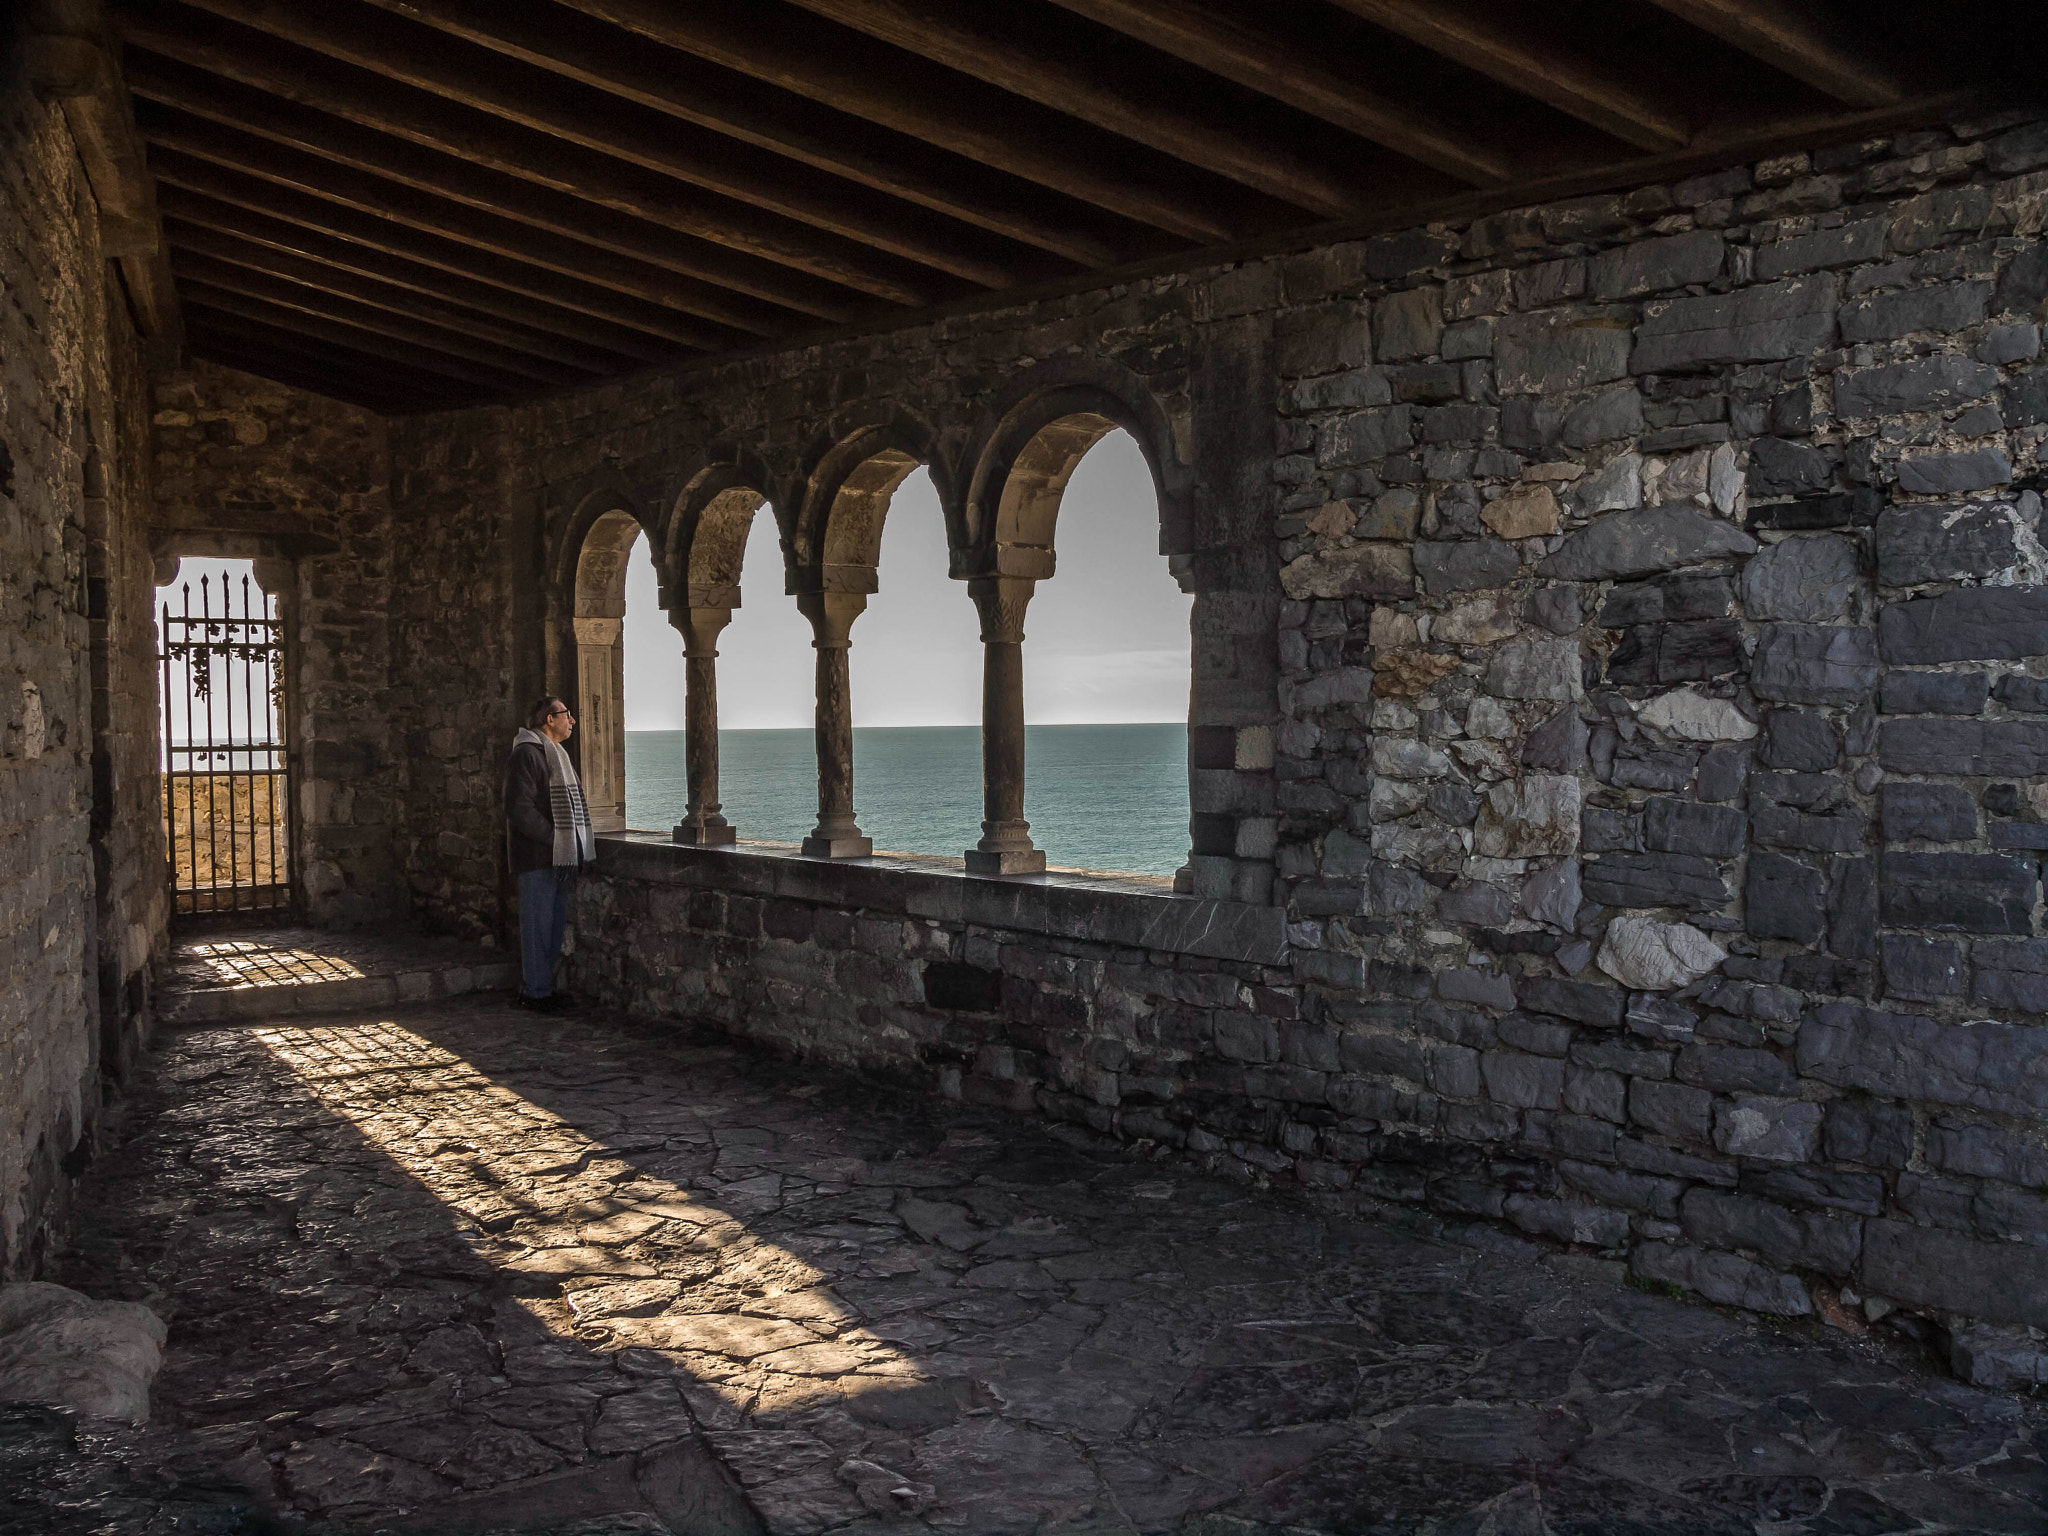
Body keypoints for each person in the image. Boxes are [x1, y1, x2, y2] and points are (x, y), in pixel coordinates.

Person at [506, 696, 596, 1011]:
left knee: (553, 926)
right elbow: (519, 808)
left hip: (556, 858)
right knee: (537, 927)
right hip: (537, 857)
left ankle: (543, 988)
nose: (571, 720)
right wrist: (554, 838)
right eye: (566, 715)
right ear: (549, 719)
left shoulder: (555, 754)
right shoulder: (528, 754)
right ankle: (534, 993)